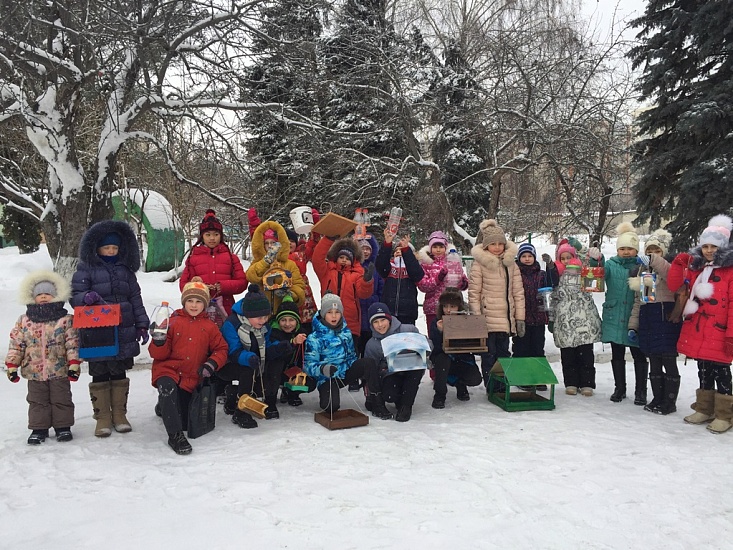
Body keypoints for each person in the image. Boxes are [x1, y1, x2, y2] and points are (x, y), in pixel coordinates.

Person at [71, 220, 150, 437]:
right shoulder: (86, 268)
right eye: (107, 248)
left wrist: (142, 324)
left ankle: (119, 414)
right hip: (97, 331)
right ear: (97, 248)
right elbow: (74, 295)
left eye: (115, 248)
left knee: (118, 372)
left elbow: (135, 297)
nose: (111, 251)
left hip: (123, 328)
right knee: (99, 372)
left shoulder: (125, 270)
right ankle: (102, 417)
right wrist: (85, 298)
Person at [668, 215, 733, 433]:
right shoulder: (697, 268)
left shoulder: (730, 271)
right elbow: (677, 286)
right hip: (698, 328)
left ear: (722, 247)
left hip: (720, 330)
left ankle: (725, 414)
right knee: (703, 368)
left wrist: (731, 334)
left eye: (713, 246)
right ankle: (705, 408)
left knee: (722, 371)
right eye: (705, 246)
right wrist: (678, 264)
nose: (708, 250)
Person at [150, 277, 228, 455]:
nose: (194, 305)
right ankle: (175, 436)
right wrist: (158, 341)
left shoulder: (210, 326)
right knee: (168, 389)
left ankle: (164, 406)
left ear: (205, 304)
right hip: (168, 371)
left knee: (185, 420)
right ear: (184, 302)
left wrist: (211, 363)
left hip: (191, 376)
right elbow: (157, 355)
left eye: (199, 301)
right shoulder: (172, 322)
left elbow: (221, 349)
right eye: (190, 301)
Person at [5, 271, 80, 444]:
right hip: (34, 371)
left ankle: (63, 427)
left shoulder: (65, 320)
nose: (44, 297)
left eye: (48, 294)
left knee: (61, 398)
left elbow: (72, 342)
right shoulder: (25, 321)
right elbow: (17, 344)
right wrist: (12, 365)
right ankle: (39, 429)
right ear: (33, 297)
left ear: (56, 295)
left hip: (59, 368)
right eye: (40, 294)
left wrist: (74, 363)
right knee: (37, 401)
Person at [304, 292, 392, 419]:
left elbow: (351, 356)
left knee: (368, 363)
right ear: (323, 313)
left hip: (344, 372)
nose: (334, 316)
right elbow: (308, 365)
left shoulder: (346, 332)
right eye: (329, 312)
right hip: (327, 377)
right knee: (331, 407)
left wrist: (355, 368)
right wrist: (323, 369)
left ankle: (376, 402)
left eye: (337, 312)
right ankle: (327, 396)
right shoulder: (314, 337)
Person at [627, 229, 682, 414]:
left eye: (656, 251)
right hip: (648, 319)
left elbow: (671, 277)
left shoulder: (670, 268)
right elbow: (639, 301)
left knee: (668, 360)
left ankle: (670, 401)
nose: (652, 254)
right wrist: (633, 326)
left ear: (663, 252)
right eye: (649, 250)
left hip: (665, 317)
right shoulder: (643, 271)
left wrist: (654, 260)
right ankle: (658, 397)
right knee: (654, 361)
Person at [468, 219, 525, 393]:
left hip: (505, 319)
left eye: (501, 243)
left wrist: (520, 318)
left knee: (503, 354)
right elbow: (474, 293)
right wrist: (477, 318)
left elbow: (518, 293)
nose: (498, 247)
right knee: (488, 355)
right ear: (486, 246)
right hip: (487, 319)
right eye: (493, 244)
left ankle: (502, 384)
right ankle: (491, 386)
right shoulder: (479, 265)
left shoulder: (511, 264)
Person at [598, 222, 648, 405]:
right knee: (617, 353)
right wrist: (596, 260)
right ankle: (620, 388)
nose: (626, 252)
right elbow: (599, 273)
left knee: (639, 354)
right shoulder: (612, 265)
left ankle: (641, 391)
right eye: (623, 249)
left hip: (635, 317)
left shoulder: (642, 267)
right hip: (614, 316)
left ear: (636, 250)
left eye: (630, 249)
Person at [219, 284, 281, 429]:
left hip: (255, 362)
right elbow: (232, 351)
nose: (263, 320)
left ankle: (234, 394)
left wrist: (278, 348)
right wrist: (248, 358)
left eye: (266, 316)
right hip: (229, 364)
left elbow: (266, 345)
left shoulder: (264, 326)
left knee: (264, 379)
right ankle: (241, 413)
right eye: (259, 317)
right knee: (248, 371)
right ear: (248, 314)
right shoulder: (232, 324)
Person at [363, 302, 428, 422]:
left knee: (415, 370)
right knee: (389, 395)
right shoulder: (372, 344)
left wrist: (422, 348)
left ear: (389, 319)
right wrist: (371, 397)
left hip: (411, 369)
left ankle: (406, 406)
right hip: (390, 373)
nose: (380, 325)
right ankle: (399, 399)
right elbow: (370, 372)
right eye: (375, 322)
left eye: (382, 320)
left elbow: (427, 344)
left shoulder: (408, 329)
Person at [551, 246, 602, 396]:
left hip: (584, 319)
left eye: (569, 257)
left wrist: (595, 260)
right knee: (568, 355)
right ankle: (571, 382)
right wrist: (552, 319)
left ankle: (587, 383)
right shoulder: (556, 275)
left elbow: (596, 279)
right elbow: (552, 298)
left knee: (585, 354)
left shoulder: (583, 272)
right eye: (563, 258)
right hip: (564, 321)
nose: (566, 261)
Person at [180, 209, 247, 320]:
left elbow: (242, 283)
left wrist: (222, 287)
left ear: (221, 235)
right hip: (199, 311)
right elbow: (183, 285)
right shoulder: (193, 258)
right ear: (202, 236)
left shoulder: (231, 258)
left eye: (216, 234)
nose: (212, 238)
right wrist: (197, 285)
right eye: (208, 234)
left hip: (226, 310)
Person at [312, 233, 374, 340]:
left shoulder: (357, 275)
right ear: (336, 258)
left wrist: (367, 281)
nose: (344, 260)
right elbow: (317, 258)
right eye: (341, 257)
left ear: (353, 260)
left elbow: (363, 294)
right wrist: (328, 239)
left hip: (351, 323)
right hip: (327, 320)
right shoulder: (326, 271)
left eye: (348, 258)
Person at [428, 288, 483, 409]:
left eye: (452, 306)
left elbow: (475, 346)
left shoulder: (467, 321)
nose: (448, 310)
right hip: (443, 359)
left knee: (475, 378)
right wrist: (440, 332)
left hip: (462, 359)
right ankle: (440, 394)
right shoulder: (437, 322)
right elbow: (435, 347)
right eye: (445, 306)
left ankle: (460, 384)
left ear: (459, 307)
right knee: (443, 360)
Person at [246, 220, 306, 314]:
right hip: (261, 312)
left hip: (283, 313)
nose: (270, 246)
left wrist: (290, 295)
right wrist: (265, 262)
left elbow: (299, 286)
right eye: (267, 243)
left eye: (273, 243)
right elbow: (250, 276)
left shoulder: (289, 264)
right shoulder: (257, 262)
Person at [267, 296, 314, 414]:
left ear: (297, 321)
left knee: (310, 381)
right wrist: (292, 343)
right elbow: (273, 352)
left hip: (292, 369)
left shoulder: (302, 332)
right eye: (283, 320)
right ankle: (270, 401)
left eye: (291, 320)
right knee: (276, 365)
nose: (287, 324)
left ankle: (291, 392)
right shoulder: (273, 332)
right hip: (273, 371)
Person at [513, 242, 558, 359]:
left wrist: (550, 267)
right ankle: (521, 375)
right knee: (520, 350)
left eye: (530, 256)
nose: (527, 259)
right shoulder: (515, 274)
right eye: (523, 256)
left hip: (538, 319)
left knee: (537, 350)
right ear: (519, 258)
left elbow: (552, 283)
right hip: (522, 319)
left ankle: (537, 376)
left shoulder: (541, 274)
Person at [417, 230, 469, 331]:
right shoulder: (426, 264)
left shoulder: (453, 261)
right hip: (433, 308)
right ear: (430, 248)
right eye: (435, 247)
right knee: (435, 336)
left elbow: (463, 282)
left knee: (454, 336)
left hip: (454, 308)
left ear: (446, 247)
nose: (438, 250)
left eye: (441, 247)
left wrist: (462, 283)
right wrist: (438, 278)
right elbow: (423, 285)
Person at [375, 229, 424, 326]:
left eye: (401, 250)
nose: (399, 251)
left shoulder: (412, 265)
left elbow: (417, 274)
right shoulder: (390, 266)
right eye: (396, 250)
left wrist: (407, 251)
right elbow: (380, 265)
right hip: (389, 313)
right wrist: (387, 244)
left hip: (408, 314)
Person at [286, 227, 318, 334]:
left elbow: (313, 243)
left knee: (307, 322)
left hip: (303, 290)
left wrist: (315, 228)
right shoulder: (278, 257)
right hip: (288, 288)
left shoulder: (301, 254)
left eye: (292, 241)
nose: (289, 244)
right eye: (286, 241)